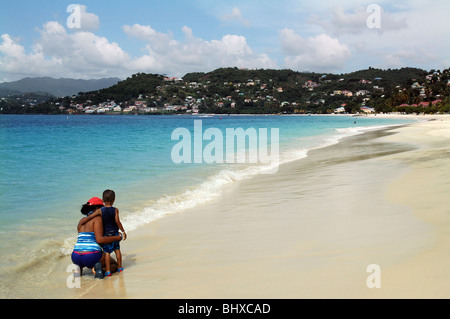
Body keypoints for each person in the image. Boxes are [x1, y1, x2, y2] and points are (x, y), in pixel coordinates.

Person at [71, 197, 123, 279]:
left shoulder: (82, 220)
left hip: (75, 256)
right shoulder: (97, 219)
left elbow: (86, 240)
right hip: (91, 256)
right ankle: (100, 270)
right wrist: (117, 237)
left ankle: (79, 270)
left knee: (83, 252)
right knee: (114, 265)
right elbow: (99, 239)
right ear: (96, 208)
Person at [100, 189, 126, 277]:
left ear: (102, 200)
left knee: (107, 252)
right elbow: (117, 222)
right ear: (114, 199)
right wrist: (123, 231)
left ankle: (107, 271)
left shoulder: (101, 210)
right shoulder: (115, 210)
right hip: (115, 234)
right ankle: (120, 267)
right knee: (117, 250)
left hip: (106, 236)